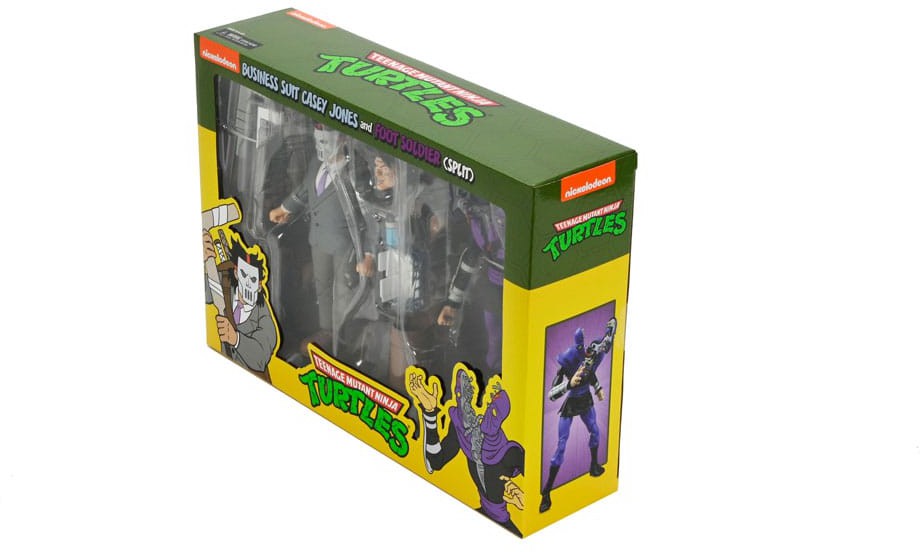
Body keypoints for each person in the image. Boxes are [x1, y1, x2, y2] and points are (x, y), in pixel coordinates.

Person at [268, 124, 370, 353]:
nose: (320, 147)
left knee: (344, 287)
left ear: (342, 139)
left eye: (325, 141)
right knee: (322, 285)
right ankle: (327, 330)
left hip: (344, 243)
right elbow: (304, 190)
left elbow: (369, 213)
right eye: (318, 141)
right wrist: (285, 208)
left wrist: (369, 252)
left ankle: (343, 333)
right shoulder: (316, 164)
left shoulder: (355, 171)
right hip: (318, 238)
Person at [408, 368, 525, 536]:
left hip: (506, 523)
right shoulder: (463, 432)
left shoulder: (510, 452)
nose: (489, 408)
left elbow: (542, 486)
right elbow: (434, 462)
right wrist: (430, 413)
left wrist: (525, 500)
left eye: (494, 405)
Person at [540, 316, 616, 513]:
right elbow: (551, 395)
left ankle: (594, 465)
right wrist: (569, 384)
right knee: (561, 445)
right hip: (572, 402)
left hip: (586, 400)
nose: (588, 356)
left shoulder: (593, 359)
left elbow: (592, 373)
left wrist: (597, 388)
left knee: (595, 431)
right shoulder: (568, 362)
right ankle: (546, 491)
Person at [204, 231, 277, 379]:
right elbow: (206, 292)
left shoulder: (263, 315)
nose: (247, 283)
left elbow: (261, 358)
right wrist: (206, 263)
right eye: (244, 275)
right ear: (237, 273)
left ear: (259, 286)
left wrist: (235, 339)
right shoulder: (226, 285)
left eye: (253, 279)